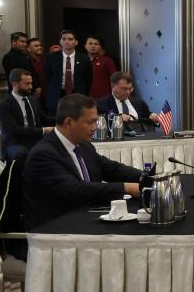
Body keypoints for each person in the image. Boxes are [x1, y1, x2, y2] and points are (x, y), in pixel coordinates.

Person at [23, 93, 143, 229]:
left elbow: (112, 169)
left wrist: (146, 177)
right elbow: (75, 189)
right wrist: (126, 187)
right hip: (55, 227)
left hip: (85, 218)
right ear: (69, 122)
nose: (95, 127)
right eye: (90, 122)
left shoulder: (84, 145)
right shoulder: (43, 154)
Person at [0, 69, 54, 160]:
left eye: (31, 83)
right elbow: (13, 130)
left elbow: (43, 119)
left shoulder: (33, 100)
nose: (31, 86)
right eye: (27, 84)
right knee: (21, 153)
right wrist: (43, 130)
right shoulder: (5, 105)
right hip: (16, 142)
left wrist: (62, 118)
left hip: (37, 139)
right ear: (15, 84)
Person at [43, 29, 92, 115]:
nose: (67, 41)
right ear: (60, 42)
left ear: (76, 42)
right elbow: (46, 78)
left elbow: (88, 80)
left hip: (77, 94)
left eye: (70, 39)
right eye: (64, 39)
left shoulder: (84, 59)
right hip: (56, 95)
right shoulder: (51, 58)